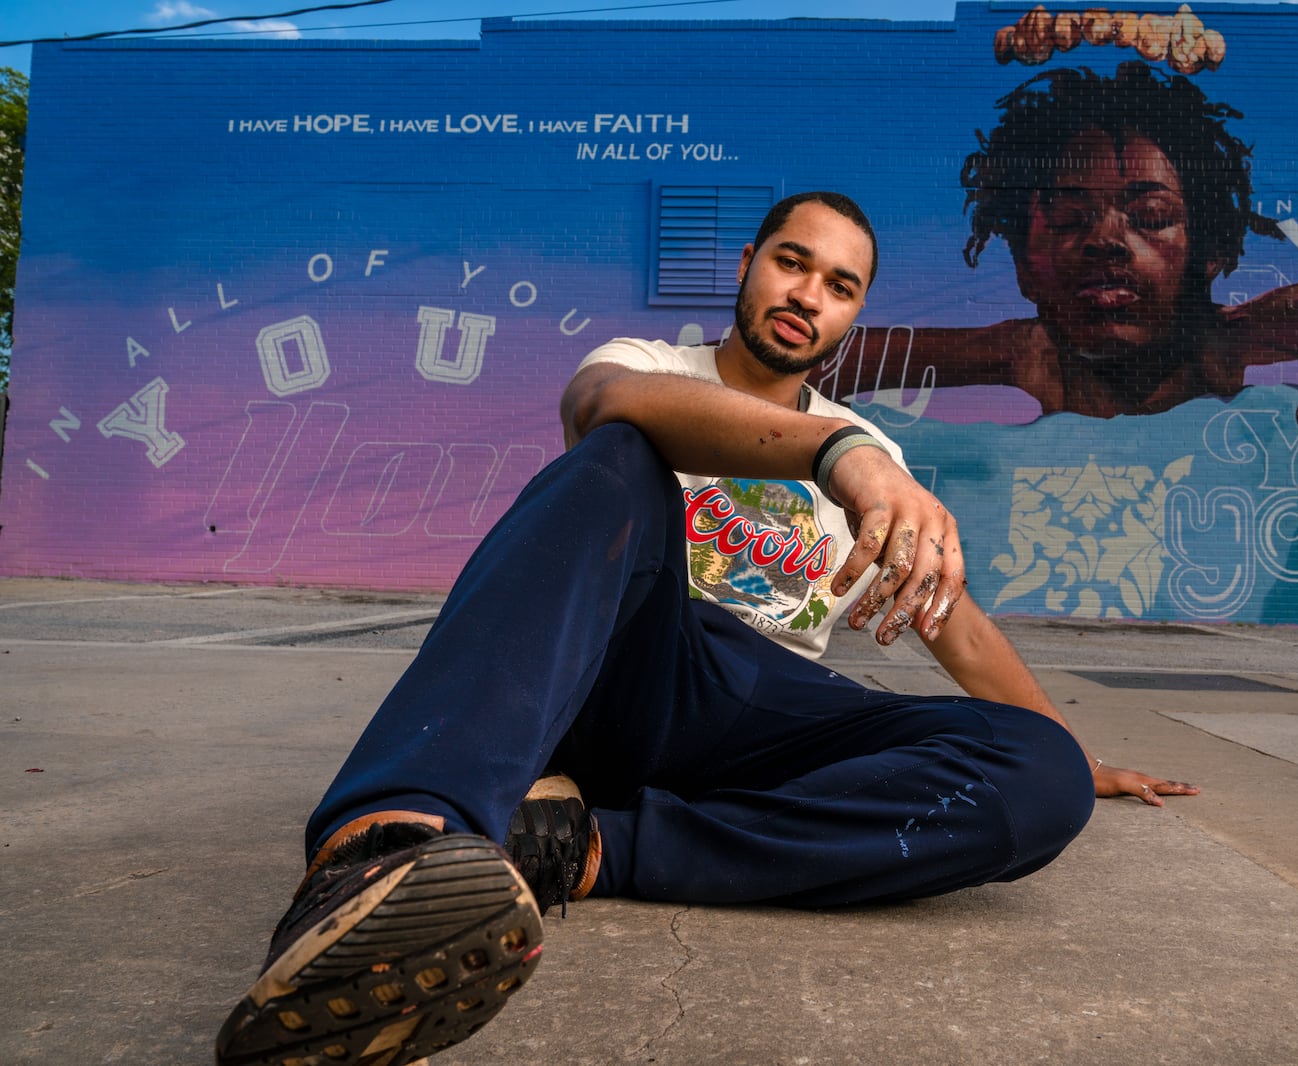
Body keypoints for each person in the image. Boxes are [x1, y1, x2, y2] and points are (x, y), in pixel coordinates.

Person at [214, 191, 1197, 1066]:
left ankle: (577, 844)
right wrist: (841, 455)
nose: (808, 293)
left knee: (1038, 772)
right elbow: (608, 408)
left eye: (840, 284)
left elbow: (954, 624)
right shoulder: (646, 366)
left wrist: (1073, 748)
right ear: (747, 266)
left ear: (854, 313)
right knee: (618, 460)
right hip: (621, 656)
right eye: (792, 261)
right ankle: (382, 853)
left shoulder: (882, 454)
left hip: (755, 712)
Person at [814, 63, 1298, 623]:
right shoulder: (936, 455)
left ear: (1210, 247)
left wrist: (1220, 339)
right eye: (1068, 220)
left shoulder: (1286, 443)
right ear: (1025, 263)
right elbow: (789, 363)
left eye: (1150, 218)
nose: (1106, 240)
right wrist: (1014, 349)